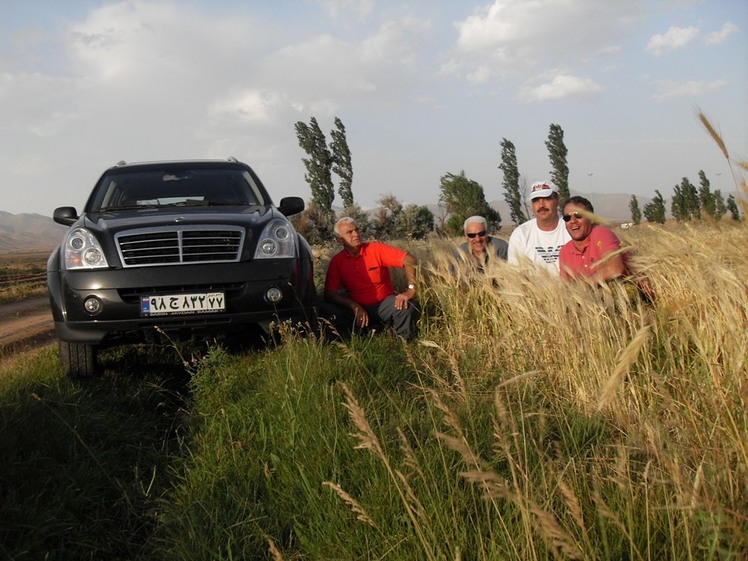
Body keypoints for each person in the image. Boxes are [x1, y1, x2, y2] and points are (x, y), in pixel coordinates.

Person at [321, 217, 418, 339]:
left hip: (384, 304)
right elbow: (329, 294)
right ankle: (352, 340)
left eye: (357, 230)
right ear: (340, 240)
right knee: (326, 309)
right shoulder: (337, 262)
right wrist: (353, 306)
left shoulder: (376, 249)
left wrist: (411, 289)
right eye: (349, 232)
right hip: (356, 310)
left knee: (404, 306)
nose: (356, 234)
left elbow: (409, 259)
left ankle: (404, 342)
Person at [558, 196, 630, 282]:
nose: (573, 221)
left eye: (578, 215)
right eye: (567, 218)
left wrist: (583, 285)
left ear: (592, 219)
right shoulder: (565, 252)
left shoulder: (601, 233)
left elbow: (615, 269)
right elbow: (566, 289)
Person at [507, 180, 571, 273]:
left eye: (547, 198)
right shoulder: (521, 234)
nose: (541, 205)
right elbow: (515, 275)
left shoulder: (571, 227)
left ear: (557, 200)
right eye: (536, 200)